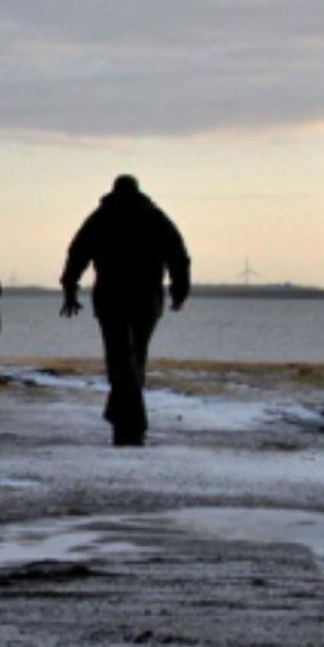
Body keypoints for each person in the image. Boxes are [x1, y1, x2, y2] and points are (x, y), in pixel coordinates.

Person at [59, 174, 191, 446]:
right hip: (147, 299)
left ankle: (125, 420)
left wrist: (70, 287)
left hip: (111, 297)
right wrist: (179, 294)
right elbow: (179, 257)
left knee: (119, 357)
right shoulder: (156, 218)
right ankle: (130, 422)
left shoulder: (101, 217)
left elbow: (77, 253)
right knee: (136, 357)